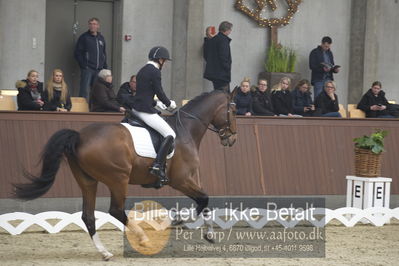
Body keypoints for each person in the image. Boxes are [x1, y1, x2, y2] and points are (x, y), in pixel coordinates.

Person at [129, 46, 177, 186]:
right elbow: (159, 91)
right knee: (170, 134)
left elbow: (144, 92)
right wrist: (169, 104)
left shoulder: (143, 69)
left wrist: (156, 103)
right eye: (165, 61)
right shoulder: (155, 71)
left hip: (137, 107)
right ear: (160, 59)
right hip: (144, 111)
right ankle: (157, 166)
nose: (165, 63)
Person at [74, 17, 108, 99]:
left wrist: (105, 67)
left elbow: (103, 53)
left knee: (97, 91)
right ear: (89, 25)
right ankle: (83, 110)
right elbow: (77, 53)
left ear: (98, 26)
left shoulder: (101, 38)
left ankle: (94, 110)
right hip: (88, 69)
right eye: (91, 24)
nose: (92, 26)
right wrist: (83, 65)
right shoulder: (84, 37)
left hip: (99, 70)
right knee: (84, 91)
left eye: (95, 24)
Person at [203, 21, 233, 92]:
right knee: (224, 95)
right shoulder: (223, 40)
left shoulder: (213, 40)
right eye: (230, 29)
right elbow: (224, 56)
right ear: (227, 30)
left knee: (217, 93)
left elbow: (206, 55)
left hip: (214, 74)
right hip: (222, 74)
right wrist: (227, 68)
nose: (230, 31)